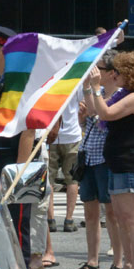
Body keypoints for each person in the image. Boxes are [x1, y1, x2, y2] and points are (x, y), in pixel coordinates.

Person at [84, 50, 134, 269]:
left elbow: (106, 113)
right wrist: (90, 88)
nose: (115, 75)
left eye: (119, 72)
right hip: (116, 161)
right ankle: (127, 265)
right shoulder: (124, 94)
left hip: (128, 161)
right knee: (123, 217)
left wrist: (95, 88)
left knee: (132, 217)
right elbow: (95, 112)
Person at [0, 24, 34, 264]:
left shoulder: (18, 83)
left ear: (3, 50)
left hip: (13, 160)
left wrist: (20, 172)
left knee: (16, 219)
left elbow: (28, 129)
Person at [68, 57, 117, 269]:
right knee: (90, 212)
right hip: (88, 156)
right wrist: (82, 117)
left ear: (111, 72)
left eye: (100, 69)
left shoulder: (117, 96)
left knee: (112, 212)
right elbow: (90, 121)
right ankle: (92, 260)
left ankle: (117, 260)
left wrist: (93, 90)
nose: (96, 72)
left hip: (105, 159)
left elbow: (103, 118)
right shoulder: (97, 92)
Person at [50, 93, 84, 236]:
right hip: (72, 134)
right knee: (72, 179)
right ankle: (69, 220)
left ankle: (50, 219)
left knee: (48, 179)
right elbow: (84, 104)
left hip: (50, 134)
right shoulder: (74, 80)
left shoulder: (50, 80)